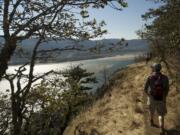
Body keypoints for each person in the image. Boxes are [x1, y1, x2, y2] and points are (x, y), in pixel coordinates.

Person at [144, 63, 169, 133]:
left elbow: (145, 89)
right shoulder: (165, 78)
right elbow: (167, 89)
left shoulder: (149, 77)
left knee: (151, 111)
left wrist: (149, 95)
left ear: (154, 69)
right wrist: (164, 97)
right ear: (160, 68)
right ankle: (161, 128)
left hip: (152, 98)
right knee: (161, 114)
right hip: (161, 98)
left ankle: (151, 120)